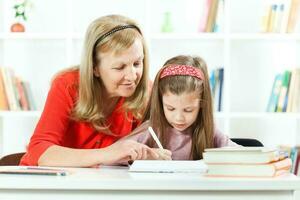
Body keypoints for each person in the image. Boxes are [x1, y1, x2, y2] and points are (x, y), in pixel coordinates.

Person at [20, 15, 171, 167]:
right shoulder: (67, 85)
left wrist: (150, 157)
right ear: (95, 67)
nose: (132, 76)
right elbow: (39, 151)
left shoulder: (146, 91)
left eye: (137, 63)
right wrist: (108, 153)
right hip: (52, 184)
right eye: (119, 67)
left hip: (103, 185)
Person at [126, 55, 239, 160]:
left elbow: (241, 153)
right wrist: (146, 155)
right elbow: (119, 153)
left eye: (188, 110)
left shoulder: (208, 130)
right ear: (160, 102)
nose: (179, 118)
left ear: (202, 105)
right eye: (170, 108)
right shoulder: (151, 129)